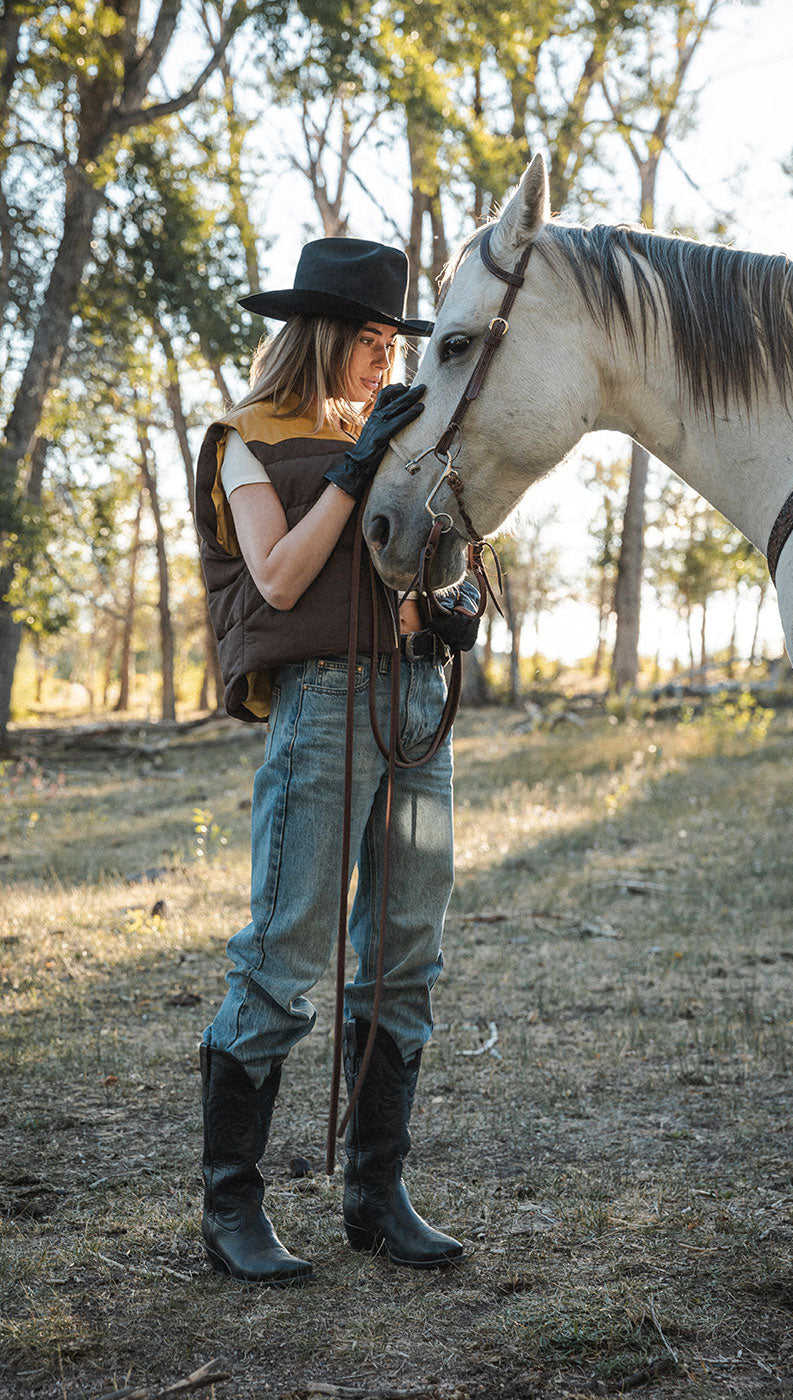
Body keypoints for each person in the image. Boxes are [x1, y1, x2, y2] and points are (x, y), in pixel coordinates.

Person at [193, 238, 478, 1285]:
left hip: (409, 699)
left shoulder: (389, 429)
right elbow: (276, 577)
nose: (380, 362)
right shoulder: (248, 438)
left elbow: (425, 562)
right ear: (320, 336)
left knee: (406, 948)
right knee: (286, 948)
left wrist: (450, 605)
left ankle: (376, 1188)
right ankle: (232, 1204)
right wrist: (354, 472)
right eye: (366, 342)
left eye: (388, 343)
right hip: (320, 704)